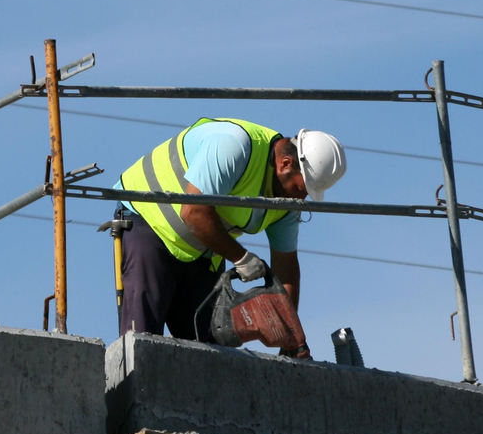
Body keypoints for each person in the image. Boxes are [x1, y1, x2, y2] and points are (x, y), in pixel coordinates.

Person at [115, 118, 347, 359]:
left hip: (203, 250)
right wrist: (242, 258)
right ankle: (135, 394)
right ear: (285, 164)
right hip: (149, 225)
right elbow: (193, 213)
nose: (301, 200)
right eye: (301, 189)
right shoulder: (233, 146)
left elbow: (286, 268)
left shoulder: (287, 204)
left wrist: (291, 337)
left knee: (211, 353)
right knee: (142, 340)